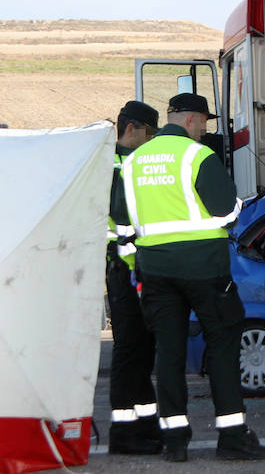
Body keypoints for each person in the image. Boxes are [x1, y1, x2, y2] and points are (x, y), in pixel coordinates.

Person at [119, 93, 265, 462]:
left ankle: (174, 441)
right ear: (190, 120)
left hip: (156, 270)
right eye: (204, 122)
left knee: (169, 353)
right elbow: (226, 213)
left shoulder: (134, 161)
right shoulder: (197, 155)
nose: (205, 129)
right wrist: (235, 206)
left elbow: (124, 223)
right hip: (205, 269)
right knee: (222, 346)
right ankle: (233, 437)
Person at [106, 100, 162, 455]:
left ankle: (145, 426)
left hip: (137, 265)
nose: (153, 139)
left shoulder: (130, 162)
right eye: (150, 132)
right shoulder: (114, 164)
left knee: (143, 347)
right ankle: (123, 432)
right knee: (130, 348)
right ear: (133, 129)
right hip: (121, 266)